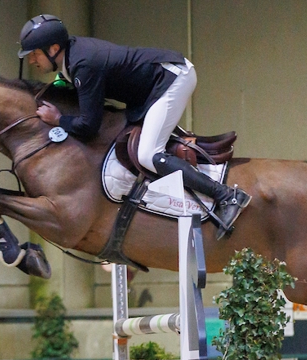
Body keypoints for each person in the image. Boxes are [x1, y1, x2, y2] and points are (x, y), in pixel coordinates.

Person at [17, 14, 250, 239]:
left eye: (35, 53)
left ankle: (227, 196)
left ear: (54, 49)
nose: (31, 60)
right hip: (151, 87)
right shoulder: (73, 58)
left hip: (171, 79)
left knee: (148, 154)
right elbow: (71, 84)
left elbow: (89, 125)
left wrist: (58, 119)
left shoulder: (83, 62)